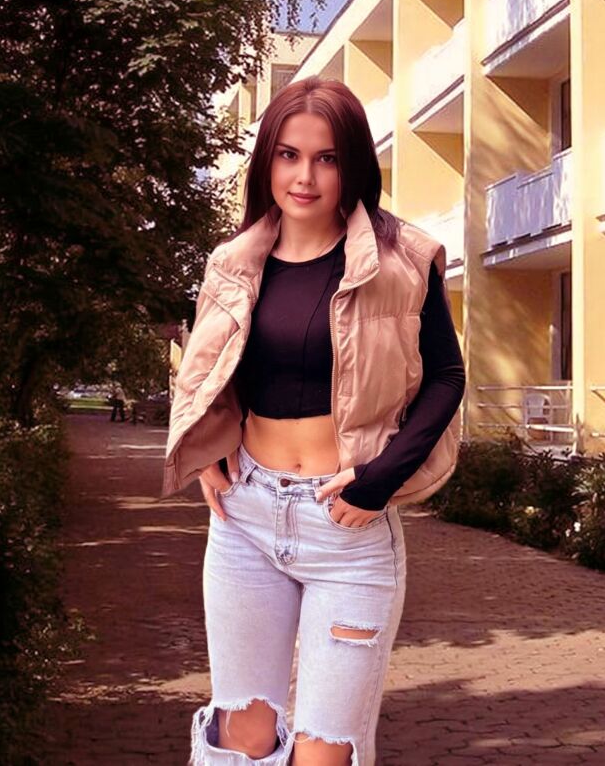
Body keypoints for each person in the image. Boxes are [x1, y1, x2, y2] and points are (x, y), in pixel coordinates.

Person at [163, 76, 465, 766]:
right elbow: (207, 366)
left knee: (323, 753)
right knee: (242, 739)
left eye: (326, 158)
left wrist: (380, 479)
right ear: (267, 160)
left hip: (347, 529)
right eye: (289, 155)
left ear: (352, 165)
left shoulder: (403, 260)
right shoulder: (232, 263)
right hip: (245, 518)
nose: (305, 176)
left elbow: (446, 378)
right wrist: (206, 443)